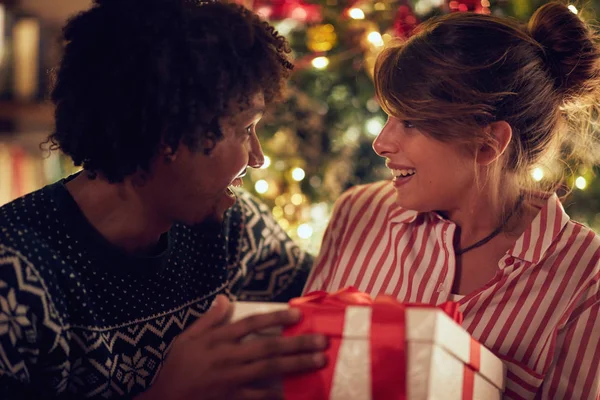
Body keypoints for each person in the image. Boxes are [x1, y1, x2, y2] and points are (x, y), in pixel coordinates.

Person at [0, 0, 328, 399]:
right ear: (169, 136)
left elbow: (333, 309)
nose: (257, 158)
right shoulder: (14, 272)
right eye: (245, 129)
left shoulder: (238, 231)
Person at [305, 2, 600, 399]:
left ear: (488, 143)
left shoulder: (586, 278)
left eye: (410, 123)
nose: (381, 143)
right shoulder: (358, 213)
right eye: (390, 117)